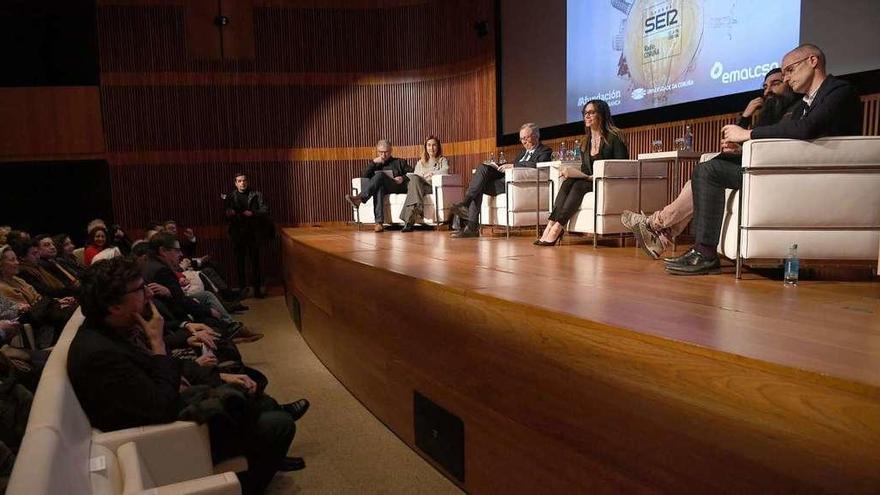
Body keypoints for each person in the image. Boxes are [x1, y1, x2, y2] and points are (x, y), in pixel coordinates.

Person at [67, 257, 307, 494]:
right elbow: (160, 406)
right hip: (169, 441)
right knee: (279, 425)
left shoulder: (114, 328)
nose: (149, 294)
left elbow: (163, 371)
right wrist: (157, 342)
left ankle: (270, 452)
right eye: (140, 290)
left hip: (173, 409)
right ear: (114, 305)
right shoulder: (99, 355)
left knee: (252, 388)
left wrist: (220, 377)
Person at [666, 44, 862, 275]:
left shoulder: (839, 91)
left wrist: (748, 135)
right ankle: (702, 251)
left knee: (710, 171)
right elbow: (783, 133)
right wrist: (743, 146)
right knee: (708, 168)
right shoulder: (802, 104)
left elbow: (806, 129)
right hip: (784, 170)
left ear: (812, 61)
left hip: (812, 176)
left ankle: (702, 251)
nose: (787, 79)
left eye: (790, 70)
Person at [622, 68, 802, 258]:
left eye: (775, 84)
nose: (767, 91)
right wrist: (747, 116)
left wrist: (742, 149)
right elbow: (739, 139)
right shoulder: (769, 114)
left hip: (764, 172)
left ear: (789, 83)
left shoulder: (795, 110)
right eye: (765, 87)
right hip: (750, 166)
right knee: (696, 181)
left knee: (704, 174)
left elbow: (776, 145)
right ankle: (662, 236)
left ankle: (654, 224)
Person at [535, 100, 628, 246]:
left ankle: (558, 227)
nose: (587, 116)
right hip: (591, 179)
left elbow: (622, 166)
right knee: (568, 183)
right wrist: (573, 173)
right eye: (585, 113)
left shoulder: (614, 137)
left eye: (591, 112)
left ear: (602, 114)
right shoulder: (586, 141)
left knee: (578, 186)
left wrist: (592, 177)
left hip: (607, 182)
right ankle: (550, 225)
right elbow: (586, 169)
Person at [449, 123, 552, 238]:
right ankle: (468, 215)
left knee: (478, 185)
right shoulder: (522, 153)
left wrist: (514, 165)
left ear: (536, 136)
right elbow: (514, 164)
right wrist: (498, 166)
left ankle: (468, 216)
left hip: (513, 185)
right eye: (521, 139)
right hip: (504, 180)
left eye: (526, 137)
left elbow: (537, 164)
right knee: (482, 170)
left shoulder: (545, 151)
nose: (524, 141)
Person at [344, 139, 411, 233]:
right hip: (384, 189)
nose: (383, 155)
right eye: (380, 152)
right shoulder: (376, 163)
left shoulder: (400, 162)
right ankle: (379, 223)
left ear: (391, 150)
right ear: (377, 151)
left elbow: (412, 174)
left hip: (397, 187)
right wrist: (373, 163)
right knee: (379, 187)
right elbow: (364, 176)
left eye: (386, 152)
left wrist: (402, 178)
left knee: (379, 175)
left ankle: (360, 198)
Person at [224, 172, 271, 298]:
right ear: (235, 183)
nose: (242, 183)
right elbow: (225, 215)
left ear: (247, 181)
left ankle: (257, 290)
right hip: (237, 234)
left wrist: (253, 213)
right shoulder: (231, 196)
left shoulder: (256, 194)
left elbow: (265, 210)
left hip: (253, 234)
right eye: (239, 181)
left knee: (255, 263)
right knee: (240, 264)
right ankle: (243, 290)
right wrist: (229, 214)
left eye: (244, 180)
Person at [400, 136, 449, 232]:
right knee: (413, 180)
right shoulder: (420, 162)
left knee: (414, 184)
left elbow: (445, 171)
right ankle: (411, 217)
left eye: (434, 145)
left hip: (431, 187)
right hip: (420, 187)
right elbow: (415, 176)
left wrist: (431, 175)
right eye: (429, 145)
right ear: (426, 147)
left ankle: (409, 220)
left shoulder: (442, 160)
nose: (431, 148)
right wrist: (423, 176)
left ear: (438, 147)